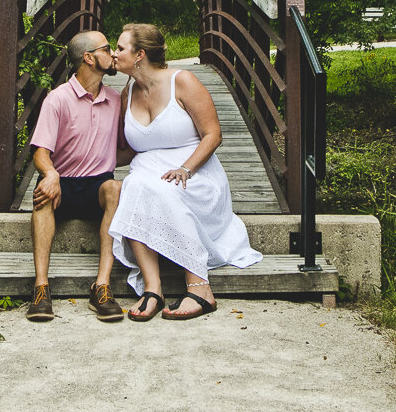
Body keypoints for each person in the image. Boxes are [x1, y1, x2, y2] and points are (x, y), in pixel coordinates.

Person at [108, 23, 262, 320]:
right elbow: (127, 151)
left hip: (194, 172)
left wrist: (185, 169)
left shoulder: (183, 82)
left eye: (120, 48)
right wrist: (87, 164)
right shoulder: (128, 92)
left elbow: (213, 135)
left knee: (165, 188)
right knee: (135, 185)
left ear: (140, 55)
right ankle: (152, 289)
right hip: (148, 173)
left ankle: (200, 287)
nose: (114, 54)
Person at [24, 30, 125, 322]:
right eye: (108, 49)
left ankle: (101, 287)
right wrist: (51, 173)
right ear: (89, 58)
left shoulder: (116, 98)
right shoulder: (57, 99)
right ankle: (41, 288)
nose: (113, 54)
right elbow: (40, 152)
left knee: (116, 189)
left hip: (97, 185)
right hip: (64, 183)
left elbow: (124, 148)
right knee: (42, 193)